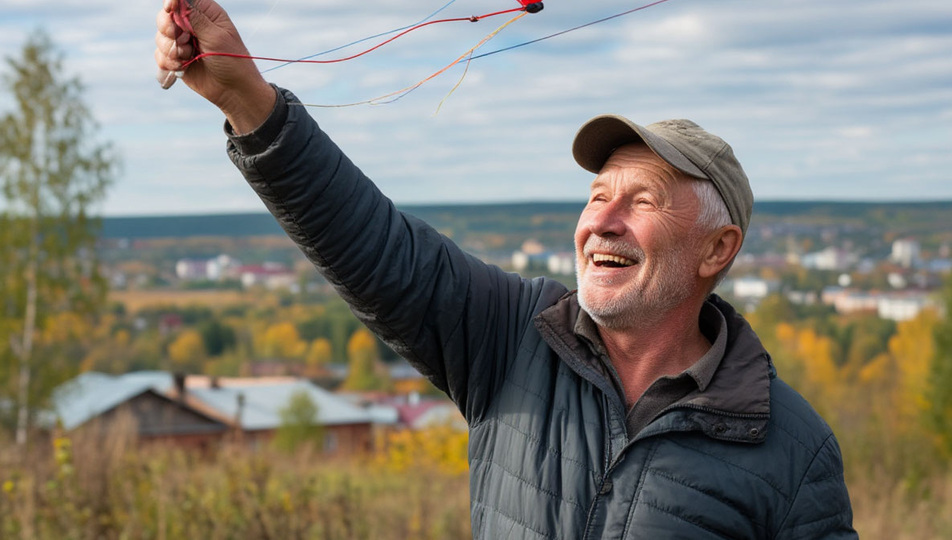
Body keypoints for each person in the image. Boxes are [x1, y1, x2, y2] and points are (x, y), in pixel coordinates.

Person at [155, 1, 858, 537]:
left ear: (717, 249)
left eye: (641, 201)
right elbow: (372, 246)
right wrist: (245, 99)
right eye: (596, 196)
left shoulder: (792, 450)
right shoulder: (514, 338)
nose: (602, 222)